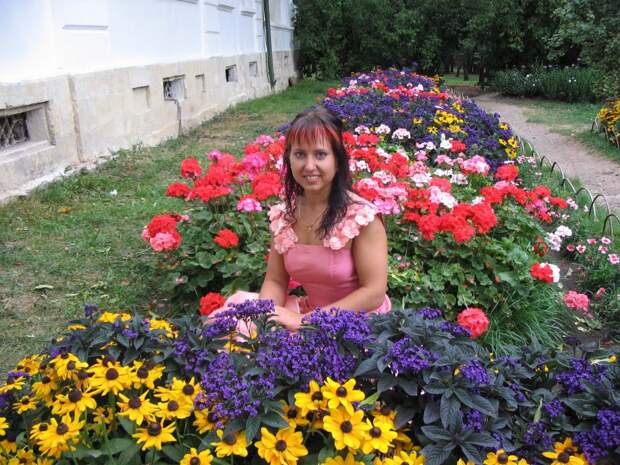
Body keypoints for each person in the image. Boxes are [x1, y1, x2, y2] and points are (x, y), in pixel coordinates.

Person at [216, 106, 391, 331]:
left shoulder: (362, 218)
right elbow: (275, 281)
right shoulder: (285, 216)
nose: (309, 166)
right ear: (289, 159)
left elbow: (374, 293)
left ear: (337, 160)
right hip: (309, 315)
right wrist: (261, 321)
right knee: (238, 328)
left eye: (320, 154)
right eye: (300, 154)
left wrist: (306, 322)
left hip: (357, 323)